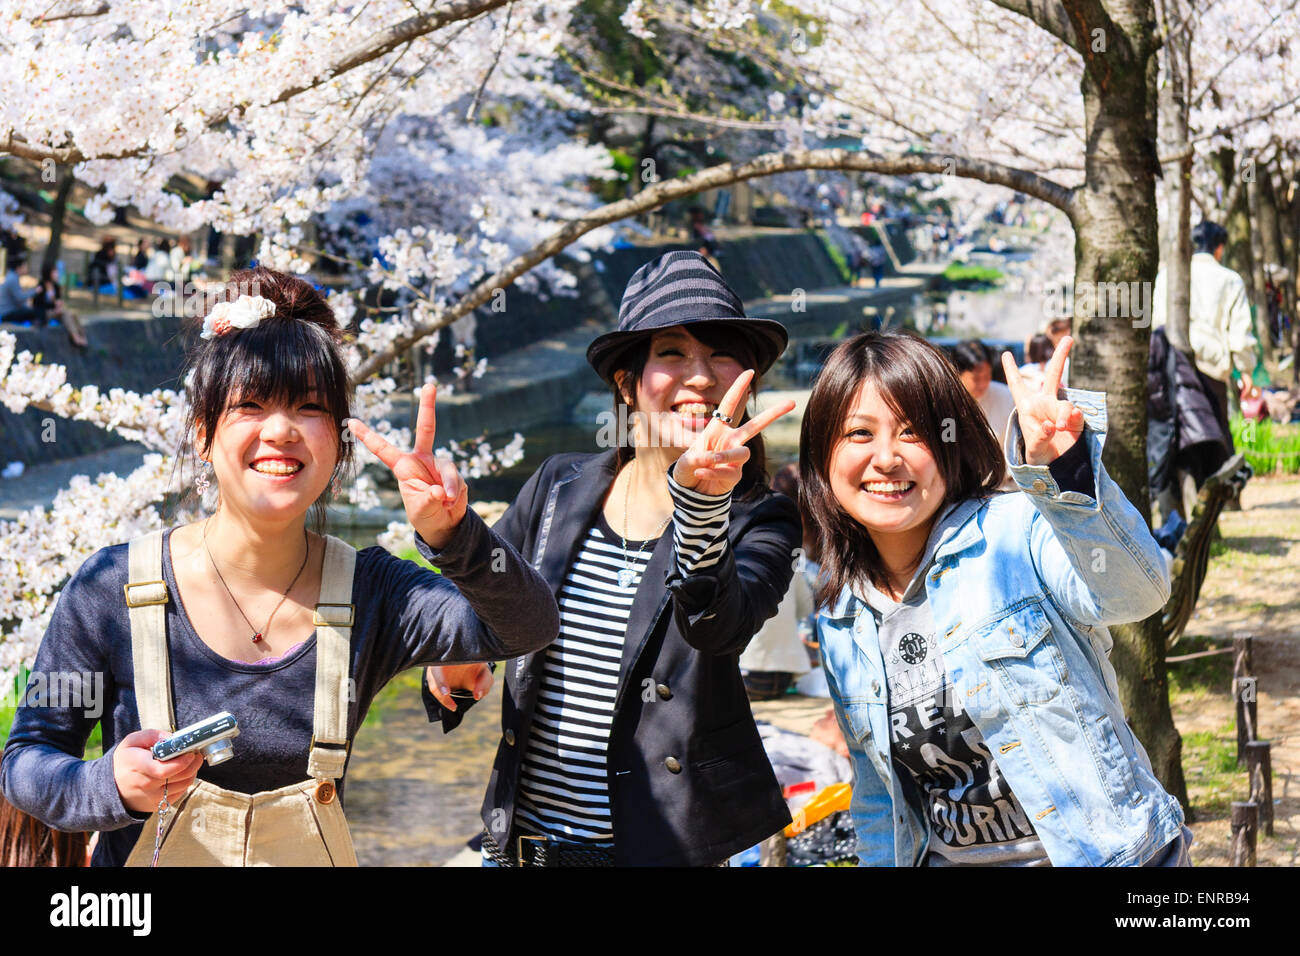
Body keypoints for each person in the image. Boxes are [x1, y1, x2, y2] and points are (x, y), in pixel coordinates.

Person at [0, 266, 558, 866]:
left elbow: (525, 627)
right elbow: (27, 759)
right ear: (202, 432)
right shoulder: (111, 587)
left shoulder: (375, 592)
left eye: (309, 407)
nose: (281, 431)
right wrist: (109, 786)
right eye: (250, 405)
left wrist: (455, 535)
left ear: (340, 443)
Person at [421, 250, 801, 866]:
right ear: (628, 382)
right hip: (521, 846)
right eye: (672, 353)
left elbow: (720, 624)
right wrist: (450, 654)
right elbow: (488, 602)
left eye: (721, 354)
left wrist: (701, 508)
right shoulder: (558, 485)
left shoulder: (761, 515)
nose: (700, 377)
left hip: (659, 850)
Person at [798, 329, 1189, 866]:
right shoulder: (842, 617)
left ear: (949, 445)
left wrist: (1067, 471)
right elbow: (877, 799)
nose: (886, 458)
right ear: (822, 458)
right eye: (859, 433)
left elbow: (1137, 594)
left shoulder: (1015, 532)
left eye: (912, 432)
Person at [1152, 220, 1261, 452]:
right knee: (1215, 437)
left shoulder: (1165, 276)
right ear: (1219, 248)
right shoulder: (1229, 279)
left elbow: (1157, 323)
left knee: (1177, 441)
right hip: (1210, 369)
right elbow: (1240, 332)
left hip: (1171, 368)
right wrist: (1245, 370)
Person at [740, 464, 814, 700]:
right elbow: (807, 607)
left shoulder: (739, 545)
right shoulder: (795, 554)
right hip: (782, 678)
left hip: (744, 672)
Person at [951, 339, 1014, 489]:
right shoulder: (947, 402)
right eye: (976, 379)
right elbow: (948, 442)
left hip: (1000, 486)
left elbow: (1013, 447)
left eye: (987, 377)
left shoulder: (1006, 396)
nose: (982, 384)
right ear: (957, 373)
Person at [32, 264, 90, 347]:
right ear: (48, 273)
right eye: (54, 272)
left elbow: (59, 300)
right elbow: (37, 303)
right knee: (65, 314)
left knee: (71, 314)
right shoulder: (41, 286)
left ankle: (82, 336)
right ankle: (76, 337)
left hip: (57, 311)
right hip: (45, 312)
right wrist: (53, 305)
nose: (57, 274)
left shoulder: (56, 286)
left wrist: (58, 305)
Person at [0, 254, 43, 325]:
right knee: (36, 312)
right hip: (7, 313)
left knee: (31, 311)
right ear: (18, 268)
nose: (26, 268)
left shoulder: (12, 276)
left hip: (7, 311)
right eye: (25, 266)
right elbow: (19, 297)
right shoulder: (13, 278)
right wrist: (35, 291)